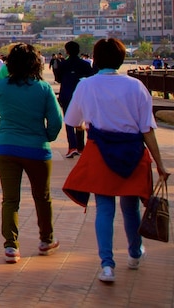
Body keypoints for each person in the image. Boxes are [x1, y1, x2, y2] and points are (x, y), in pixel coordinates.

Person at [62, 38, 170, 283]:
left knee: (105, 208)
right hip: (132, 152)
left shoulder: (86, 85)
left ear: (96, 59)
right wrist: (160, 164)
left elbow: (72, 121)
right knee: (130, 207)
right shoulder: (137, 86)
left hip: (100, 151)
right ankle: (134, 253)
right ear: (121, 59)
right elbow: (147, 129)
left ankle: (107, 266)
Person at [0, 42, 63, 264]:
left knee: (10, 200)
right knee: (43, 197)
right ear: (35, 63)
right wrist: (47, 136)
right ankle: (46, 239)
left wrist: (3, 133)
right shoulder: (43, 88)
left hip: (6, 148)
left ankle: (11, 246)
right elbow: (57, 121)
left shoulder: (0, 87)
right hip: (37, 149)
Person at [54, 40, 97, 158]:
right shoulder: (85, 64)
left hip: (66, 94)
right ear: (78, 51)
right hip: (82, 95)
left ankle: (72, 147)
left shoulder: (63, 64)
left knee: (69, 120)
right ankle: (81, 147)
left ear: (67, 51)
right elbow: (91, 78)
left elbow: (58, 79)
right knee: (81, 120)